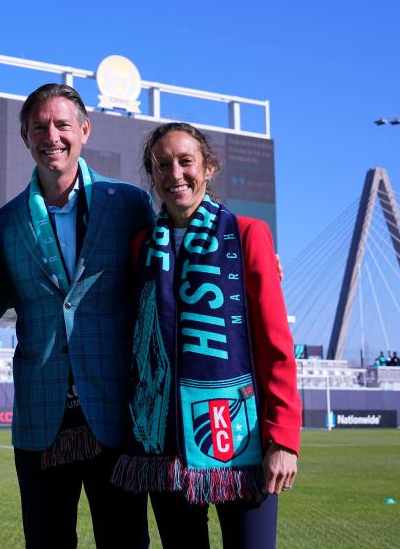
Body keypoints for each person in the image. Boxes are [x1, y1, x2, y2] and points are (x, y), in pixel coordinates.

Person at [111, 123, 300, 549]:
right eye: (162, 165)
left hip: (243, 444)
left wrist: (284, 438)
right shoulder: (141, 245)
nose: (174, 173)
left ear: (209, 168)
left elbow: (275, 345)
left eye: (185, 161)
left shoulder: (247, 235)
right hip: (165, 447)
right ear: (152, 175)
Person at [0, 83, 153, 548]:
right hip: (40, 419)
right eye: (39, 126)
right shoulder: (5, 223)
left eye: (63, 124)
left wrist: (242, 257)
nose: (52, 136)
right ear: (24, 136)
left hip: (115, 415)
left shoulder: (128, 204)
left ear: (84, 130)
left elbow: (165, 278)